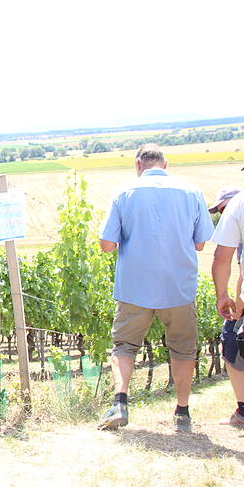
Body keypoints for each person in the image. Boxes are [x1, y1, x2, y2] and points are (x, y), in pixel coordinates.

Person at [98, 145, 214, 432]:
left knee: (124, 346)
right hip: (178, 287)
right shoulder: (191, 192)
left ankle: (120, 402)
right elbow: (200, 243)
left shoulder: (125, 193)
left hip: (135, 287)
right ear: (166, 164)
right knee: (184, 350)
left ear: (138, 165)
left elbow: (106, 244)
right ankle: (182, 412)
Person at [209, 186, 244, 427]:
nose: (221, 215)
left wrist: (225, 297)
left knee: (231, 340)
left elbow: (223, 257)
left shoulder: (239, 204)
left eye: (222, 210)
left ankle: (242, 410)